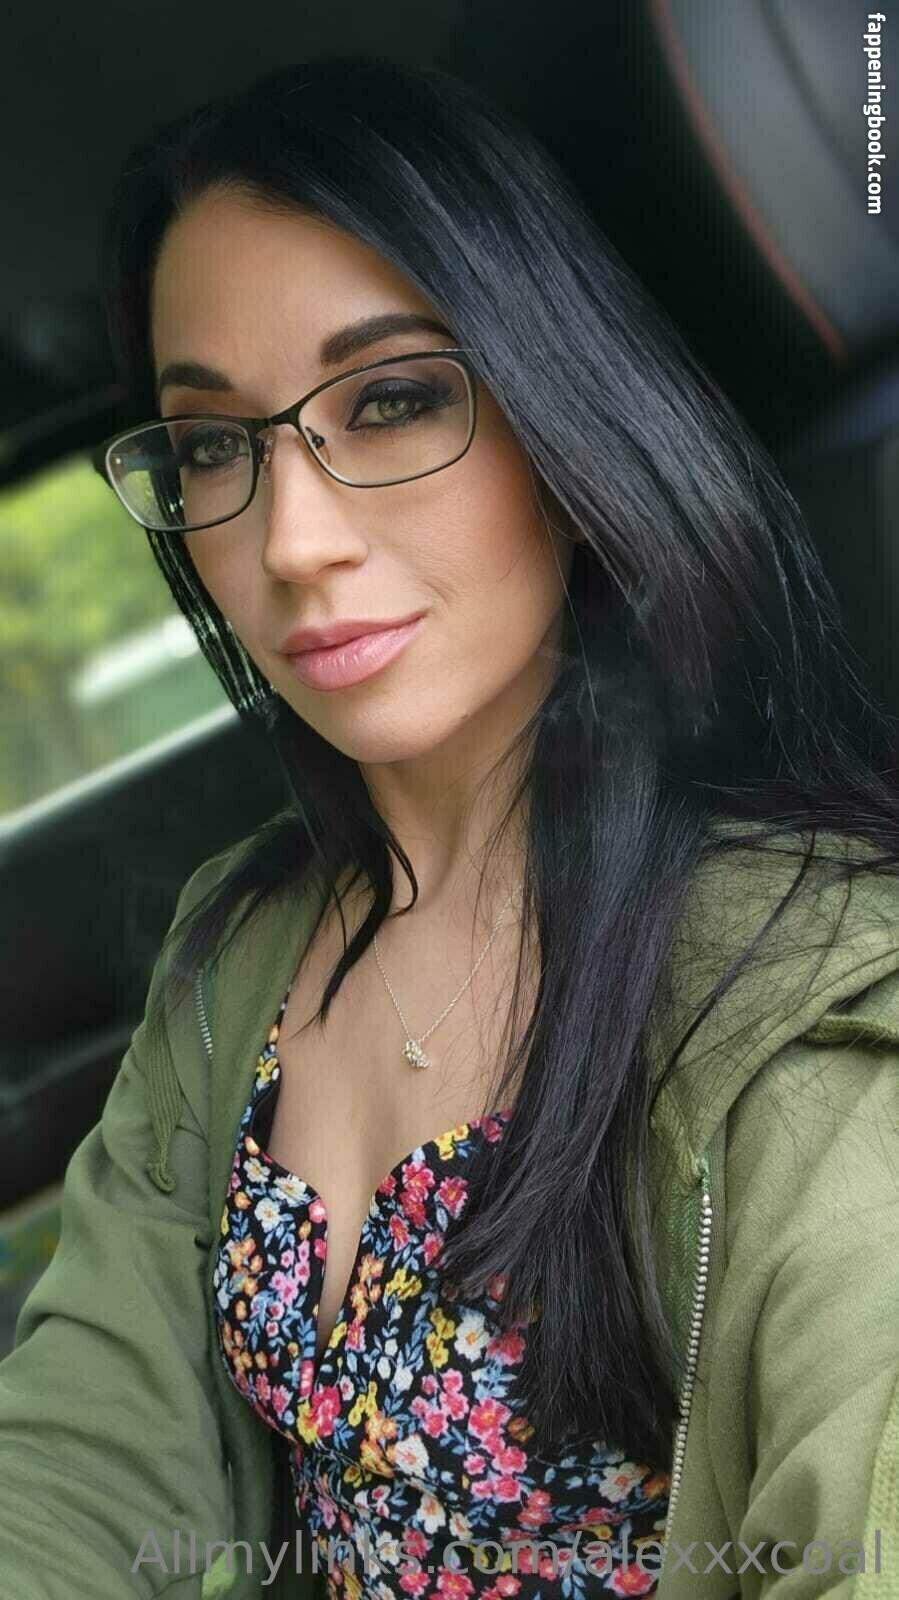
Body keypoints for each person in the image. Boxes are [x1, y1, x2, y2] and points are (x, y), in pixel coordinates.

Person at [1, 52, 897, 1600]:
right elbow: (80, 1466)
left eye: (394, 399)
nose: (293, 538)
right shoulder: (240, 953)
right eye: (214, 444)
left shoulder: (811, 1017)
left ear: (561, 410)